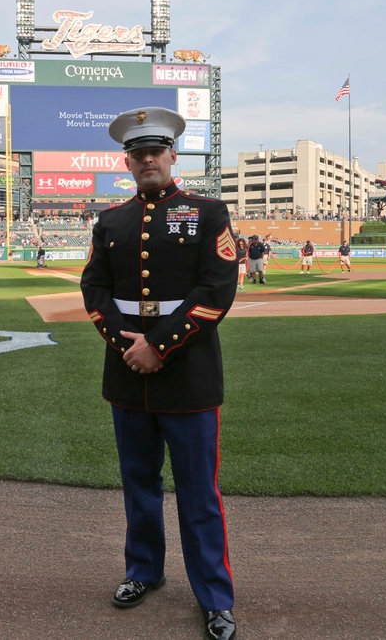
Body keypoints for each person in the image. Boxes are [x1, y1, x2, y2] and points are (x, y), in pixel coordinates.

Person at [80, 107, 238, 640]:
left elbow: (217, 291)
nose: (148, 159)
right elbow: (94, 290)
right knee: (138, 486)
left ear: (173, 155)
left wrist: (159, 345)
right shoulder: (111, 221)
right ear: (127, 161)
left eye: (156, 151)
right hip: (128, 375)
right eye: (138, 153)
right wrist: (129, 346)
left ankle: (214, 597)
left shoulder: (208, 212)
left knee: (199, 495)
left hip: (188, 375)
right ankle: (143, 572)